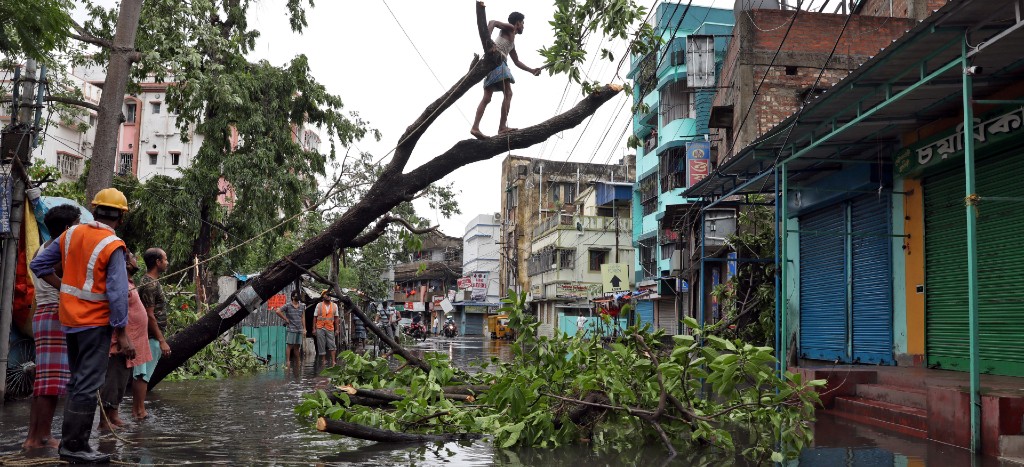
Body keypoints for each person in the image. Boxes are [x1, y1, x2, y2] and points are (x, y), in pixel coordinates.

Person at [30, 187, 136, 464]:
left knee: (77, 383)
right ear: (121, 217)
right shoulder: (113, 245)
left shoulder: (70, 234)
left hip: (69, 322)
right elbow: (116, 292)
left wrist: (64, 287)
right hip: (95, 324)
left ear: (95, 209)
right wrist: (122, 332)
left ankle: (70, 445)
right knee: (87, 385)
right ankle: (76, 446)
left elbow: (39, 264)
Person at [23, 204, 79, 450]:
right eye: (77, 225)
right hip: (55, 314)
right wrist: (65, 288)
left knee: (45, 381)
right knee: (52, 383)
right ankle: (41, 437)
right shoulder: (59, 252)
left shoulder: (43, 249)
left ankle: (33, 437)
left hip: (44, 315)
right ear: (68, 229)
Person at [98, 252, 153, 431]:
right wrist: (123, 337)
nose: (136, 259)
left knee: (120, 380)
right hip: (120, 341)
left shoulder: (127, 282)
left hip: (129, 341)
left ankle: (113, 416)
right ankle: (105, 421)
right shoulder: (119, 282)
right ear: (127, 264)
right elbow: (116, 308)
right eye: (133, 257)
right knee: (113, 379)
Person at [470, 11, 542, 139]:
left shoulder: (512, 43)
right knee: (508, 93)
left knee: (487, 98)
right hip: (498, 61)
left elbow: (517, 61)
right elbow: (493, 22)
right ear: (517, 23)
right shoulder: (510, 28)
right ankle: (502, 127)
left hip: (491, 65)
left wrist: (532, 70)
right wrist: (488, 41)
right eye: (523, 23)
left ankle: (475, 127)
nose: (523, 26)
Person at [132, 247, 171, 420]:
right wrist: (162, 340)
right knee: (143, 374)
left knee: (143, 374)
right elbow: (149, 315)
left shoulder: (150, 282)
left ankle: (138, 410)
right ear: (157, 262)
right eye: (165, 259)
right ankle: (139, 411)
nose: (167, 262)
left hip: (150, 335)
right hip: (149, 337)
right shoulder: (149, 284)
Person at [274, 292, 306, 369]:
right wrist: (285, 319)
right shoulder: (288, 305)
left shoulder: (302, 306)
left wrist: (304, 328)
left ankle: (298, 361)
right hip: (291, 328)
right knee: (289, 345)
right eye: (296, 296)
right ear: (292, 297)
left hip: (299, 329)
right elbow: (278, 311)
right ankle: (288, 361)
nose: (297, 297)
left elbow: (303, 317)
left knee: (297, 347)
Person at [313, 292, 339, 366]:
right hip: (320, 327)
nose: (328, 296)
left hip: (330, 327)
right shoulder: (319, 305)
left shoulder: (335, 306)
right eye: (326, 295)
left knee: (332, 344)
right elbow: (314, 317)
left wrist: (337, 329)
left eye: (329, 295)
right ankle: (323, 360)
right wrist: (314, 329)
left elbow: (337, 318)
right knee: (321, 344)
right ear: (323, 296)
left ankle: (333, 361)